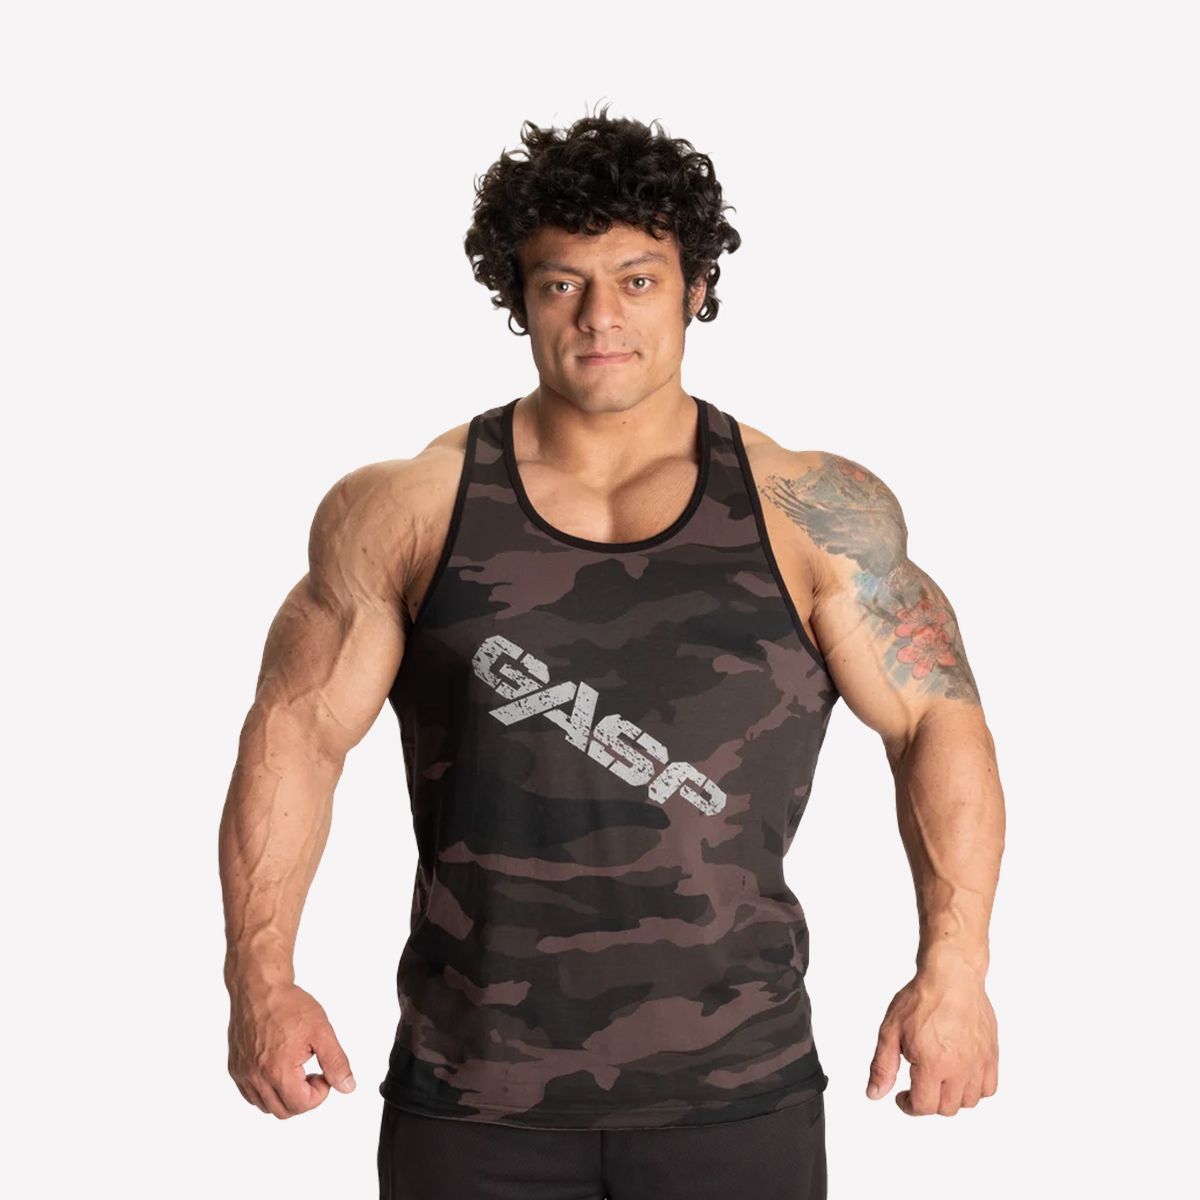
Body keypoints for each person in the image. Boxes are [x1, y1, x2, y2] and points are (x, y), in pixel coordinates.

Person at [219, 106, 1004, 1200]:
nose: (601, 316)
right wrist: (259, 979)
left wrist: (955, 972)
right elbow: (297, 733)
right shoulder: (407, 511)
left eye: (638, 279)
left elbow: (935, 721)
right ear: (518, 299)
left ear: (695, 289)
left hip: (739, 1094)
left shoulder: (814, 513)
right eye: (562, 283)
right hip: (472, 1098)